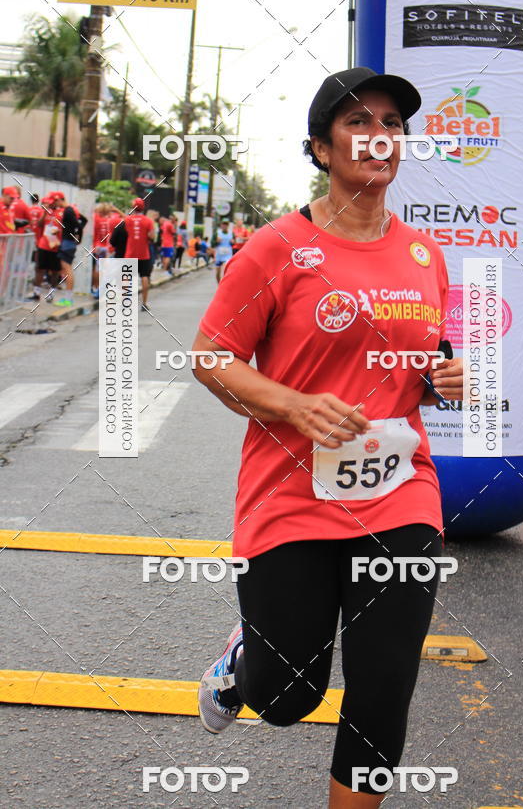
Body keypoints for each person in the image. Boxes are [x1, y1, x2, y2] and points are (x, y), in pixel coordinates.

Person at [191, 67, 464, 807]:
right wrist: (292, 405)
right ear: (320, 148)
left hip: (400, 494)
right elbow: (210, 358)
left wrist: (442, 376)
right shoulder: (278, 248)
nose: (380, 135)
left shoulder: (424, 256)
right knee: (286, 697)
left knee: (382, 691)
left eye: (393, 124)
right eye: (358, 122)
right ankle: (244, 657)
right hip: (290, 496)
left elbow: (425, 358)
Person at [54, 192, 87, 308]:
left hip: (68, 242)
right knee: (67, 269)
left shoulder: (68, 210)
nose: (54, 204)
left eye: (54, 201)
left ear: (59, 200)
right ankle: (68, 297)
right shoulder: (71, 209)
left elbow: (78, 224)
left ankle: (68, 299)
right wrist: (78, 237)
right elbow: (83, 221)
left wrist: (78, 238)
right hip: (69, 242)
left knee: (67, 270)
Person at [124, 197, 156, 311]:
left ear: (133, 207)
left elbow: (127, 231)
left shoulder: (128, 220)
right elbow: (152, 236)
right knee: (144, 277)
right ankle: (144, 303)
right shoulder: (148, 221)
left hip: (130, 253)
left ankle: (126, 302)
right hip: (144, 253)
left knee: (127, 277)